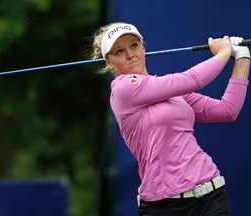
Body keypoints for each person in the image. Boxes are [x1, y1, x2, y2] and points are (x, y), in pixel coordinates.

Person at [91, 22, 250, 215]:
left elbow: (227, 110)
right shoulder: (123, 89)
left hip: (211, 196)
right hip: (164, 207)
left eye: (134, 46)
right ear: (108, 62)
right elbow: (192, 79)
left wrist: (242, 56)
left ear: (143, 48)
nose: (130, 54)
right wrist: (223, 52)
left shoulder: (171, 91)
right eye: (119, 51)